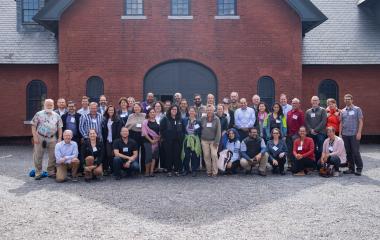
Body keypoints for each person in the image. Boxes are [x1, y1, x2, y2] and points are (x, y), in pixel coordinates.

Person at [31, 99, 63, 179]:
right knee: (38, 155)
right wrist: (35, 137)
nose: (49, 106)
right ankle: (38, 172)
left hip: (52, 138)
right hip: (40, 137)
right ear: (44, 105)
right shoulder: (38, 114)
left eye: (51, 105)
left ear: (53, 105)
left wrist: (59, 138)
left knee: (53, 156)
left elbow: (60, 128)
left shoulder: (56, 115)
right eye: (47, 105)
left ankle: (50, 172)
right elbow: (33, 125)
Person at [340, 94, 364, 176]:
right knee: (348, 152)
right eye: (346, 99)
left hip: (354, 134)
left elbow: (360, 121)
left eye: (349, 99)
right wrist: (340, 134)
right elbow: (341, 123)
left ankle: (359, 168)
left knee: (355, 151)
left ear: (352, 100)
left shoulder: (357, 109)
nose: (347, 100)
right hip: (345, 134)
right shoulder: (342, 111)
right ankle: (351, 168)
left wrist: (359, 132)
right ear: (344, 100)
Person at [160, 105, 184, 176]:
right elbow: (161, 129)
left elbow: (182, 129)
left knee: (177, 155)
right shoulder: (165, 119)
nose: (174, 111)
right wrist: (166, 136)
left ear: (177, 111)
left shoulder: (180, 119)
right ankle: (169, 170)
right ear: (170, 110)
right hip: (168, 141)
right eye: (173, 109)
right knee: (168, 155)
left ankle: (176, 170)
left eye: (175, 109)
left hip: (177, 141)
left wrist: (181, 136)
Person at [101, 105, 123, 175]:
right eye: (109, 110)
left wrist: (117, 141)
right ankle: (111, 168)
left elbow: (119, 131)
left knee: (115, 154)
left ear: (114, 111)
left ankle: (115, 169)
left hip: (115, 140)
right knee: (109, 154)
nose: (111, 111)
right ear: (107, 111)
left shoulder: (118, 119)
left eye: (112, 110)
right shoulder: (105, 119)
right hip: (108, 140)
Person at [200, 104, 221, 177]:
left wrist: (216, 141)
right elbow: (200, 128)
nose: (209, 111)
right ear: (206, 111)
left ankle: (215, 172)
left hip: (213, 141)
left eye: (211, 110)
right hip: (204, 140)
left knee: (214, 155)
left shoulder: (217, 119)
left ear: (213, 110)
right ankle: (209, 171)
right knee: (206, 156)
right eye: (208, 110)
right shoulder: (203, 118)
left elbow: (218, 131)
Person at [181, 107, 202, 177]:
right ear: (188, 112)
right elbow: (182, 129)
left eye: (193, 111)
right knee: (186, 155)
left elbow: (199, 131)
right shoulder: (184, 120)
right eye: (190, 111)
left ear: (195, 113)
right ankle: (186, 170)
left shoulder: (198, 121)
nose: (192, 112)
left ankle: (194, 170)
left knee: (194, 155)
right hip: (187, 139)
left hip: (195, 139)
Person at [305, 96, 327, 162]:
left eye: (316, 100)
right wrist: (310, 130)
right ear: (311, 101)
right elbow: (306, 121)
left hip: (321, 133)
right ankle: (313, 163)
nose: (314, 102)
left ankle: (320, 163)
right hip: (311, 133)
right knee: (312, 149)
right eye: (313, 100)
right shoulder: (308, 111)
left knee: (321, 149)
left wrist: (315, 130)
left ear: (318, 101)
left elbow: (323, 121)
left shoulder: (323, 110)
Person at [125, 102, 146, 171]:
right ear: (133, 108)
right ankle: (135, 168)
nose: (137, 108)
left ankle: (143, 169)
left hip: (143, 135)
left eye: (138, 107)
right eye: (135, 107)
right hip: (133, 134)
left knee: (144, 151)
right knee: (135, 152)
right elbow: (127, 126)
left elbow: (147, 125)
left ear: (141, 108)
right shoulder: (131, 116)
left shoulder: (144, 115)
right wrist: (134, 125)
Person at [286, 98, 304, 170]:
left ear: (299, 104)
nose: (294, 104)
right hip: (289, 135)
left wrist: (299, 134)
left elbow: (302, 125)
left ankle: (297, 164)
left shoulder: (300, 113)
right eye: (293, 103)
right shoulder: (289, 112)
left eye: (296, 103)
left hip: (296, 135)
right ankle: (290, 164)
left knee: (297, 150)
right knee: (289, 150)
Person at [142, 108, 160, 177]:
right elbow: (144, 133)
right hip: (147, 141)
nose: (152, 113)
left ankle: (152, 172)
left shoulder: (157, 121)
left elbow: (159, 132)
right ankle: (147, 172)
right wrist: (151, 140)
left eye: (153, 112)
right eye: (151, 112)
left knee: (154, 157)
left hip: (156, 142)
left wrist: (157, 140)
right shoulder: (145, 122)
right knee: (148, 157)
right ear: (148, 114)